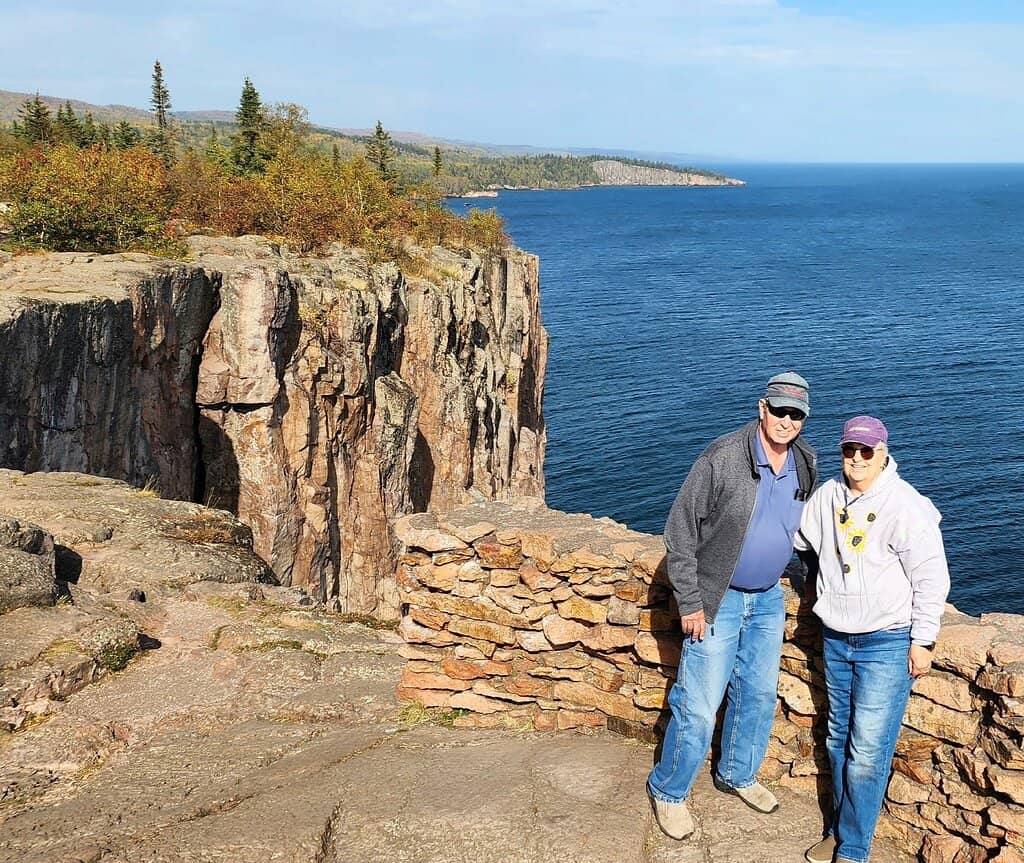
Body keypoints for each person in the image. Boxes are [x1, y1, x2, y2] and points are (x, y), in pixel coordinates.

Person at [648, 372, 818, 840]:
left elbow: (803, 535)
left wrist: (812, 582)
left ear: (804, 420)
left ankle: (738, 774)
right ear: (762, 408)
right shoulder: (722, 457)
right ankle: (669, 790)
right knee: (699, 704)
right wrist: (692, 602)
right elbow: (679, 533)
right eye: (780, 410)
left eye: (796, 414)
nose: (786, 420)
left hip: (768, 600)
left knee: (758, 696)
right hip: (716, 601)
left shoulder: (805, 462)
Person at [795, 416, 949, 863]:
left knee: (865, 751)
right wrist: (813, 582)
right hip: (837, 636)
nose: (857, 459)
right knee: (838, 738)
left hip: (886, 640)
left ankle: (855, 849)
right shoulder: (828, 497)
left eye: (866, 451)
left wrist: (923, 640)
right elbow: (803, 540)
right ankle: (839, 832)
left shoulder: (907, 506)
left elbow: (932, 579)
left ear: (883, 453)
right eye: (849, 450)